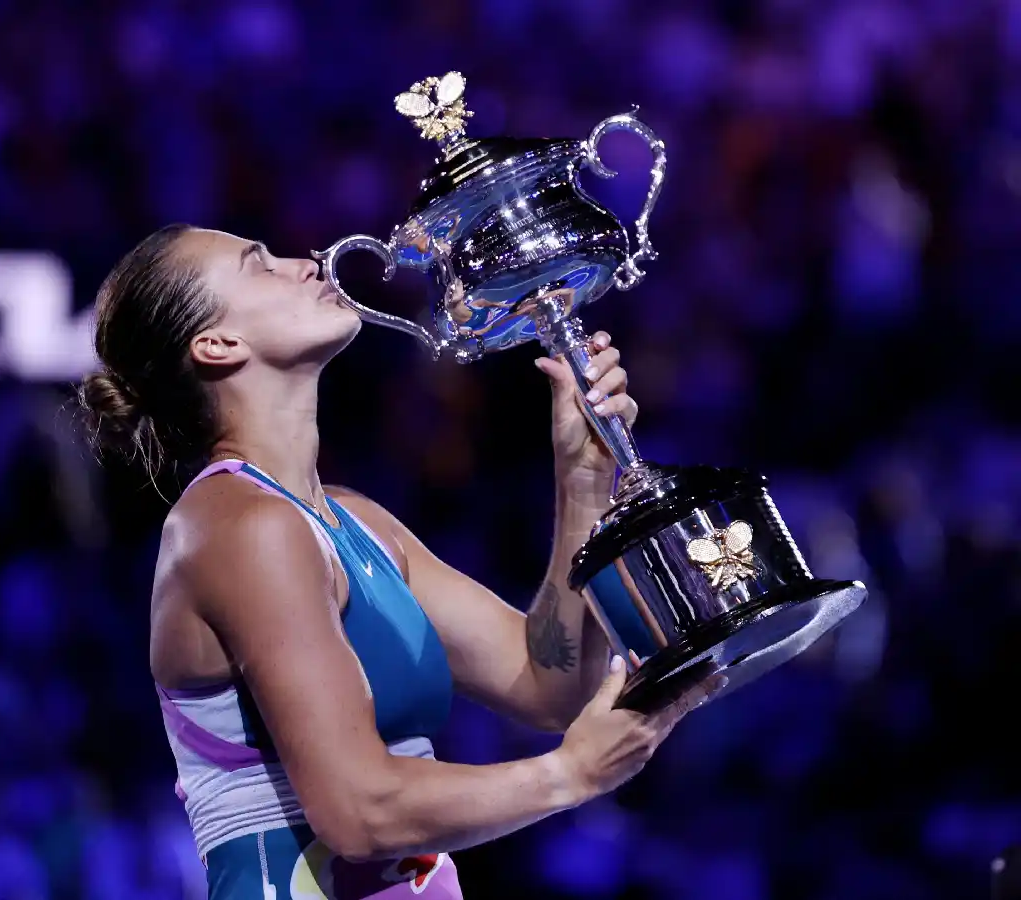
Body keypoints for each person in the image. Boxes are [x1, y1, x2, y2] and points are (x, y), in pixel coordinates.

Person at [77, 224, 726, 900]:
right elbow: (357, 811)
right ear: (218, 344)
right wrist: (570, 774)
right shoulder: (241, 528)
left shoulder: (355, 521)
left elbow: (545, 682)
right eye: (260, 265)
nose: (307, 262)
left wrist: (584, 482)